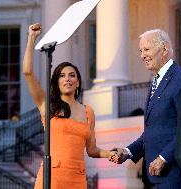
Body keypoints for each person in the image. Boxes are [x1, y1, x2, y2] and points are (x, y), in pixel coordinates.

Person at [23, 23, 115, 189]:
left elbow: (92, 149)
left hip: (77, 179)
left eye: (72, 75)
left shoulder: (88, 112)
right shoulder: (48, 106)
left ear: (78, 82)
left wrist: (109, 153)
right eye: (62, 76)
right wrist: (31, 38)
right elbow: (28, 72)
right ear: (57, 82)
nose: (67, 79)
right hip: (52, 177)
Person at [109, 29, 181, 189]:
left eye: (147, 49)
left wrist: (164, 158)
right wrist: (128, 152)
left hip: (173, 175)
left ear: (164, 49)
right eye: (140, 51)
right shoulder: (156, 81)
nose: (142, 55)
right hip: (153, 178)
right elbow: (154, 130)